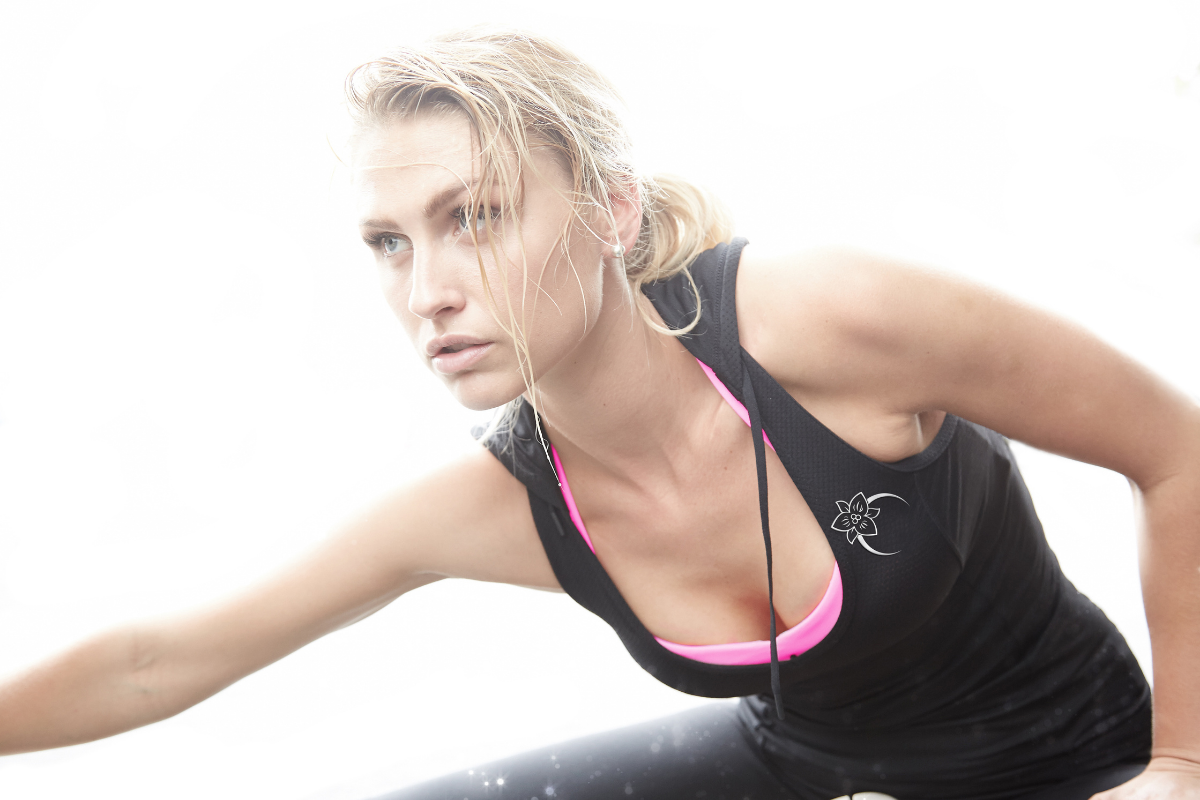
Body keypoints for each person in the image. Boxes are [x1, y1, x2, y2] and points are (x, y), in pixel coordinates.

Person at [1, 27, 1197, 800]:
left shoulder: (826, 320)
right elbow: (160, 660)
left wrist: (1183, 762)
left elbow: (1176, 453)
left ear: (612, 211)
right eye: (387, 243)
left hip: (1079, 759)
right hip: (806, 768)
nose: (427, 291)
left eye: (474, 216)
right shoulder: (500, 504)